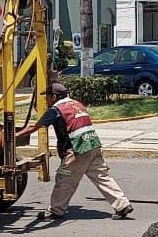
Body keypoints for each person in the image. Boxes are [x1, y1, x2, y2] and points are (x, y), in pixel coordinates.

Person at [15, 82, 133, 222]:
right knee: (102, 177)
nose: (46, 99)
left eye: (47, 96)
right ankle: (122, 205)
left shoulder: (56, 109)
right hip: (93, 146)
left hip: (78, 150)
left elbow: (35, 127)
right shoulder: (77, 104)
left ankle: (56, 210)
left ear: (54, 96)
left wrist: (13, 136)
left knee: (64, 180)